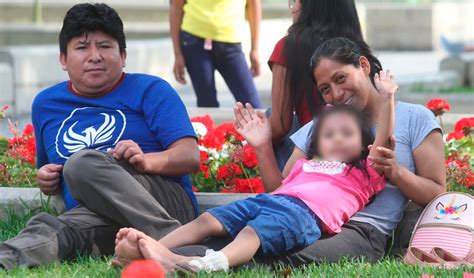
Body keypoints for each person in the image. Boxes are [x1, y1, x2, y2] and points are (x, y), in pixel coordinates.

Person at [111, 38, 446, 269]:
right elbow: (283, 190)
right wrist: (262, 146)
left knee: (283, 253)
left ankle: (178, 262)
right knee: (238, 230)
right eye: (325, 89)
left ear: (363, 65)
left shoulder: (414, 118)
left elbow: (437, 193)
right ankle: (158, 252)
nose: (336, 93)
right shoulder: (323, 126)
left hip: (362, 229)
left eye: (341, 78)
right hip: (298, 212)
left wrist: (396, 172)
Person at [0, 3, 200, 270]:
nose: (94, 56)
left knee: (82, 164)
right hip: (96, 213)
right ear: (63, 59)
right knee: (51, 229)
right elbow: (54, 173)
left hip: (161, 202)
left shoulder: (151, 90)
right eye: (82, 47)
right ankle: (7, 260)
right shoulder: (46, 104)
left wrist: (146, 160)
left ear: (123, 55)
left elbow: (189, 156)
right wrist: (46, 179)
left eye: (105, 46)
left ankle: (178, 241)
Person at [268, 0, 364, 169]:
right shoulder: (356, 46)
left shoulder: (289, 46)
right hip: (361, 147)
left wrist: (248, 146)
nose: (292, 9)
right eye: (325, 88)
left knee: (271, 119)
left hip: (316, 157)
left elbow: (280, 126)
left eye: (294, 1)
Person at [170, 0, 262, 108]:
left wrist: (255, 49)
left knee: (252, 105)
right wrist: (177, 54)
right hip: (195, 42)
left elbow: (254, 5)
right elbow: (176, 7)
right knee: (207, 105)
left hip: (231, 43)